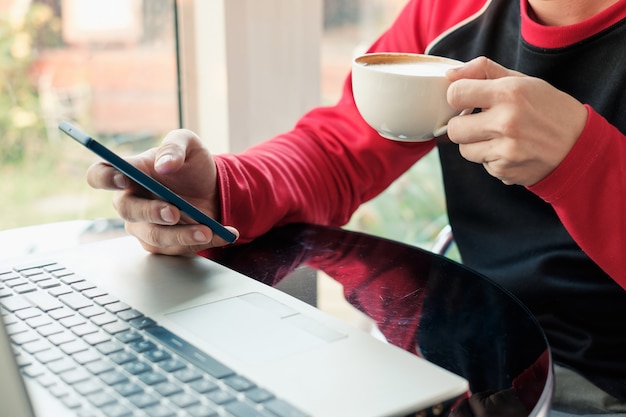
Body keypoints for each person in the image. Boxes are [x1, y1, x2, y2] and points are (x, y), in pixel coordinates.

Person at [86, 0, 626, 415]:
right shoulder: (453, 13)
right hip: (476, 361)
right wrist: (223, 189)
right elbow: (340, 151)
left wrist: (585, 160)